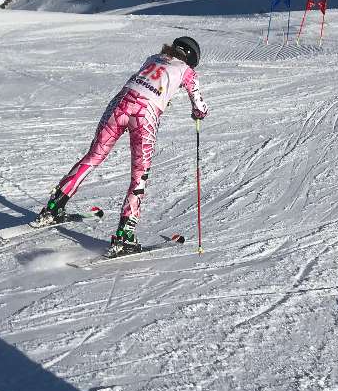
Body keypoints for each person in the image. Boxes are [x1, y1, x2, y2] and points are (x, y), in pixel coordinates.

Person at [37, 36, 209, 256]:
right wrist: (198, 113)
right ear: (192, 58)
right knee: (139, 174)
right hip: (145, 114)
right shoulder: (186, 70)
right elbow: (200, 105)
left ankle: (54, 206)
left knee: (94, 156)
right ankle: (125, 234)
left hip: (120, 104)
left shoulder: (153, 58)